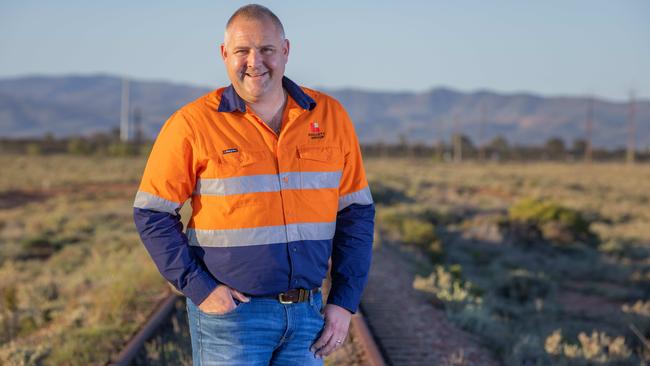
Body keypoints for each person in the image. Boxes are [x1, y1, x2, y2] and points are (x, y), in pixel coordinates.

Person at [133, 4, 374, 365]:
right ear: (224, 54)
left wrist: (343, 300)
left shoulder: (330, 117)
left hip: (307, 316)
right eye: (242, 50)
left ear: (286, 51)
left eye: (266, 50)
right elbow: (152, 212)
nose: (254, 61)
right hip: (231, 319)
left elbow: (356, 213)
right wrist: (202, 289)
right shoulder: (192, 124)